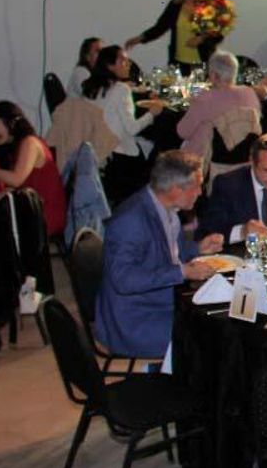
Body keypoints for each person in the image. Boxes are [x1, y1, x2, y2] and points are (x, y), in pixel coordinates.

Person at [96, 151, 224, 359]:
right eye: (196, 186)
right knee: (211, 337)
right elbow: (123, 280)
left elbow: (166, 254)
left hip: (160, 302)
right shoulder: (131, 221)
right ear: (175, 189)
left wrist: (198, 249)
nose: (200, 192)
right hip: (135, 319)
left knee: (220, 319)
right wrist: (182, 272)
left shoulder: (166, 208)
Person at [198, 133, 267, 246]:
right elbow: (208, 230)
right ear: (252, 163)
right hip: (246, 255)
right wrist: (242, 231)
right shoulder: (229, 186)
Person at [84, 46, 164, 205]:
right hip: (122, 158)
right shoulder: (121, 90)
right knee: (160, 147)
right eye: (123, 61)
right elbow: (132, 128)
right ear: (110, 66)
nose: (128, 64)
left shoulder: (92, 88)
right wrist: (152, 113)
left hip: (99, 153)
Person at [0, 101, 67, 238]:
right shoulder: (16, 149)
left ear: (11, 122)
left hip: (45, 216)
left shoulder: (30, 143)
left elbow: (16, 179)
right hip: (34, 213)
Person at [125, 0, 224, 73]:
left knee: (200, 85)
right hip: (178, 62)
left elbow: (219, 33)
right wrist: (139, 38)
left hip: (203, 62)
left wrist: (201, 38)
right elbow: (160, 27)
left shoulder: (208, 6)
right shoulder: (175, 4)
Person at [175, 50, 262, 156]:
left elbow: (182, 132)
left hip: (206, 161)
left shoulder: (205, 98)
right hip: (245, 158)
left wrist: (194, 102)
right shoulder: (249, 93)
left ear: (213, 75)